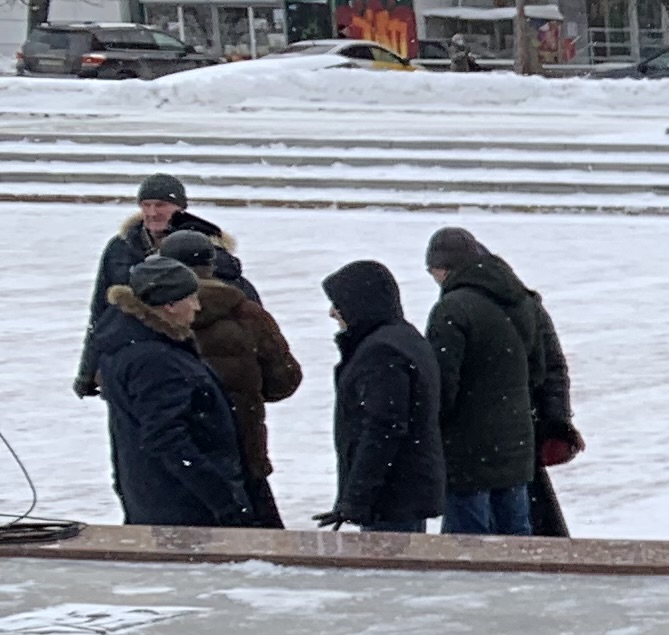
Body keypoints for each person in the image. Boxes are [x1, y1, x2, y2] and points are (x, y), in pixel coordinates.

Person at [86, 257, 249, 528]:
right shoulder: (155, 359)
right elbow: (167, 438)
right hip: (182, 504)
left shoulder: (129, 340)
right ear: (170, 306)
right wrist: (222, 500)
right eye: (191, 299)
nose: (197, 307)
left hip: (151, 493)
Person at [155, 228, 299, 528]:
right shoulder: (246, 312)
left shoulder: (152, 316)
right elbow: (284, 380)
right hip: (243, 447)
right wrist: (244, 394)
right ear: (212, 263)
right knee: (259, 543)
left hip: (173, 462)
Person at [74, 173, 250, 411]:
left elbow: (240, 305)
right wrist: (88, 370)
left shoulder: (201, 248)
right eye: (146, 205)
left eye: (161, 205)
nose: (152, 212)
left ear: (180, 208)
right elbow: (100, 311)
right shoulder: (120, 248)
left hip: (192, 365)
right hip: (133, 363)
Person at [425, 228, 540, 536]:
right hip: (516, 443)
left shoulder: (452, 309)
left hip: (467, 449)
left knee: (467, 544)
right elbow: (540, 370)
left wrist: (432, 426)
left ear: (441, 268)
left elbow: (442, 384)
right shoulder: (521, 301)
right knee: (516, 537)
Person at [320, 259, 446, 531]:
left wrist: (356, 500)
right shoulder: (404, 338)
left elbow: (383, 430)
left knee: (391, 568)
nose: (332, 313)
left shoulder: (382, 352)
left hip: (391, 497)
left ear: (358, 304)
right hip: (404, 490)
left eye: (338, 304)